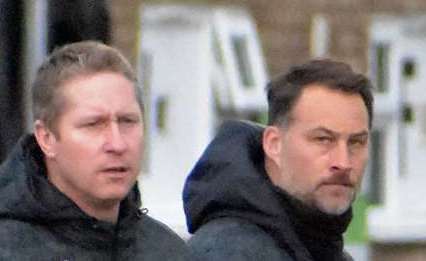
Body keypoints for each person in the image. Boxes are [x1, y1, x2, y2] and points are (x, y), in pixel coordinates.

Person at [0, 41, 190, 260]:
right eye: (93, 125)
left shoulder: (168, 252)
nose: (117, 144)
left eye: (127, 121)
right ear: (46, 138)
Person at [183, 59, 373, 261]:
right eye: (323, 139)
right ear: (274, 144)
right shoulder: (225, 252)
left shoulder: (325, 249)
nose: (343, 162)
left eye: (356, 143)